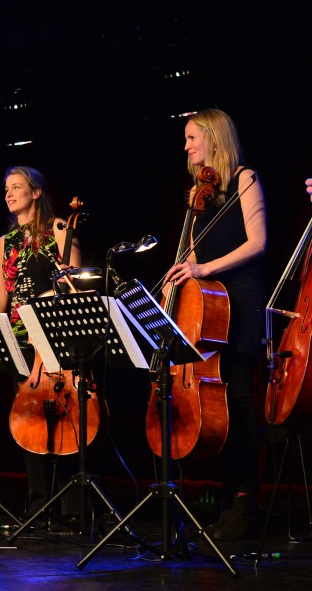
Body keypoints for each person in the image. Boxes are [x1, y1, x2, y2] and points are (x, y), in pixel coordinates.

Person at [164, 108, 266, 541]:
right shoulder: (197, 193)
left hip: (239, 301)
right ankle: (225, 498)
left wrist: (204, 270)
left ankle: (246, 502)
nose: (186, 146)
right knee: (214, 408)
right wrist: (180, 273)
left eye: (192, 137)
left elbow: (258, 243)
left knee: (240, 399)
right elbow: (189, 255)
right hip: (204, 309)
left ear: (214, 138)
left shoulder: (245, 178)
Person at [0, 165, 83, 523]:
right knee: (30, 421)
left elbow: (73, 284)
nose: (10, 193)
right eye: (6, 188)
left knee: (66, 417)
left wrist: (58, 287)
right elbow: (0, 298)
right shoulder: (4, 243)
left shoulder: (60, 229)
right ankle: (40, 504)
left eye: (17, 187)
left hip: (54, 337)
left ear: (36, 192)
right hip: (20, 340)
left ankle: (72, 505)